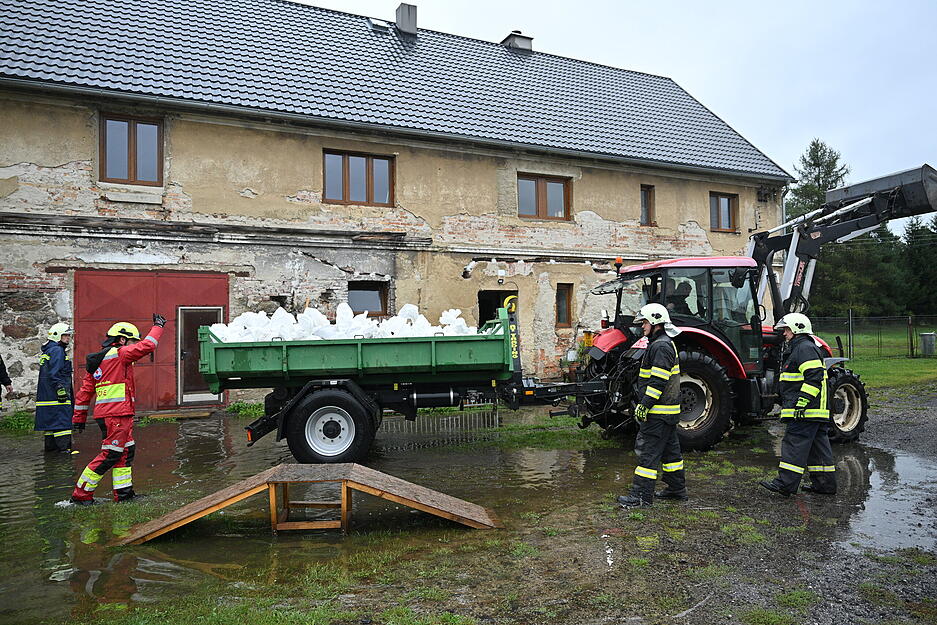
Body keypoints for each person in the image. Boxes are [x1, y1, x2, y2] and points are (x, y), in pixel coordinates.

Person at [70, 314, 165, 505]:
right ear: (122, 340)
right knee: (110, 454)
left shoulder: (98, 362)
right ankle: (81, 495)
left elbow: (85, 392)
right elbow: (148, 346)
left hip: (115, 414)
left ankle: (123, 494)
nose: (132, 346)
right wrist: (158, 326)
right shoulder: (120, 353)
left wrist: (78, 418)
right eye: (131, 342)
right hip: (116, 415)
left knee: (125, 452)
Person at [617, 303, 687, 507]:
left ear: (656, 322)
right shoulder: (662, 343)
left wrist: (645, 405)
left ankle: (641, 497)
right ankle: (676, 489)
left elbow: (658, 381)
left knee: (648, 454)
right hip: (667, 413)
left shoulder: (660, 346)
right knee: (671, 454)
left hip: (658, 413)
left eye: (645, 322)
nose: (643, 327)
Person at [760, 313, 837, 497]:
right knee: (819, 449)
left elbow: (814, 377)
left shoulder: (803, 348)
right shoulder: (803, 347)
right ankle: (825, 485)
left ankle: (785, 484)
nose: (784, 334)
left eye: (786, 329)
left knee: (794, 444)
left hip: (805, 411)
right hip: (814, 411)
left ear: (796, 329)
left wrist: (801, 403)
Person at [36, 323, 75, 453]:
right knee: (62, 421)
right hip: (57, 396)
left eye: (68, 335)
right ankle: (64, 450)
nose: (68, 338)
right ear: (57, 335)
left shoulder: (49, 350)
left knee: (50, 424)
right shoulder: (57, 350)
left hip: (48, 396)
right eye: (65, 335)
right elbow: (55, 373)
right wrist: (60, 388)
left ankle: (51, 451)